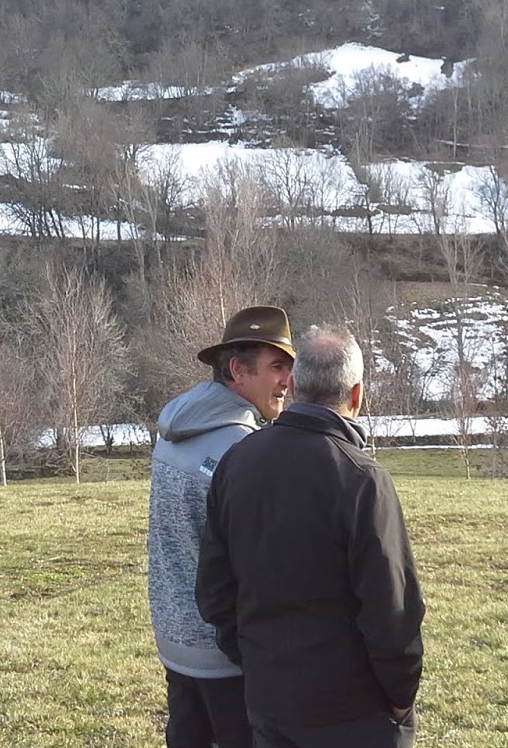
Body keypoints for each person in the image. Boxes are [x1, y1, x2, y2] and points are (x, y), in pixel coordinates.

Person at [196, 326, 424, 748]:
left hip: (269, 700)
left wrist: (254, 660)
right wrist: (400, 696)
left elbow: (214, 589)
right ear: (357, 395)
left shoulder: (236, 462)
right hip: (353, 711)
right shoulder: (362, 479)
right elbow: (392, 610)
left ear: (295, 386)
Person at [148, 305, 297, 748]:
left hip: (175, 645)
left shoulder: (175, 430)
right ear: (237, 370)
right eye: (277, 366)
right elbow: (257, 570)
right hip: (227, 658)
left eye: (290, 367)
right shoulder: (242, 450)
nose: (288, 381)